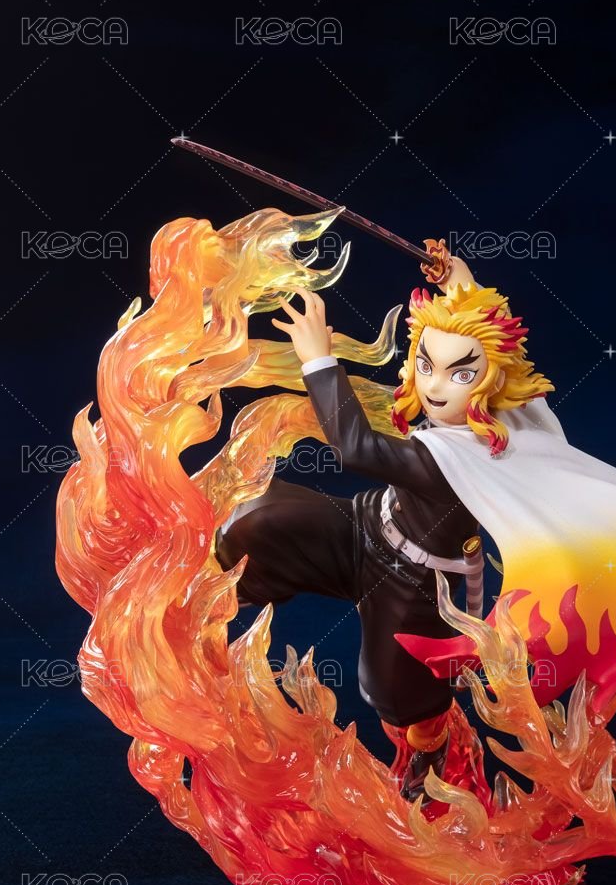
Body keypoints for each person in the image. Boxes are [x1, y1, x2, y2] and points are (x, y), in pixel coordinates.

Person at [215, 259, 553, 801]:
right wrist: (460, 286)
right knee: (262, 518)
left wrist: (318, 360)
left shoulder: (462, 453)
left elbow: (356, 448)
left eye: (460, 375)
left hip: (418, 584)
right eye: (426, 365)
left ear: (493, 381)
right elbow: (486, 339)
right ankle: (209, 600)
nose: (435, 387)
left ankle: (429, 752)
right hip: (371, 524)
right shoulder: (465, 424)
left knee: (398, 689)